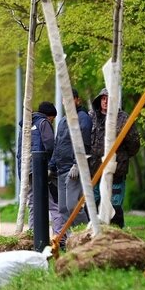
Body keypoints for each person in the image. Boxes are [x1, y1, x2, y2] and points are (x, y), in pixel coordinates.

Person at [90, 87, 140, 228]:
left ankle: (117, 235)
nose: (105, 101)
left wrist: (121, 156)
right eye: (103, 98)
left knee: (115, 206)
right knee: (93, 203)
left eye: (108, 98)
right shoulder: (91, 117)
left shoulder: (124, 119)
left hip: (116, 171)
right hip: (95, 170)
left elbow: (134, 144)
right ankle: (94, 235)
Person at [49, 88, 92, 231]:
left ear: (77, 100)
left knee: (73, 206)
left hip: (74, 169)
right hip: (61, 170)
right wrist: (51, 166)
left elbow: (85, 142)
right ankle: (71, 240)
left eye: (71, 99)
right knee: (62, 209)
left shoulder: (83, 118)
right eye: (65, 99)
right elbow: (58, 145)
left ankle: (86, 236)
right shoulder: (62, 122)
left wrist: (77, 164)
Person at [17, 101, 59, 232]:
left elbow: (20, 151)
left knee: (33, 203)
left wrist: (21, 172)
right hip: (40, 169)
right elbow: (51, 146)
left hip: (26, 170)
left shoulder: (26, 125)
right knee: (53, 203)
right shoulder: (43, 123)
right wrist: (51, 167)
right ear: (49, 116)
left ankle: (32, 234)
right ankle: (61, 235)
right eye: (53, 119)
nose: (52, 122)